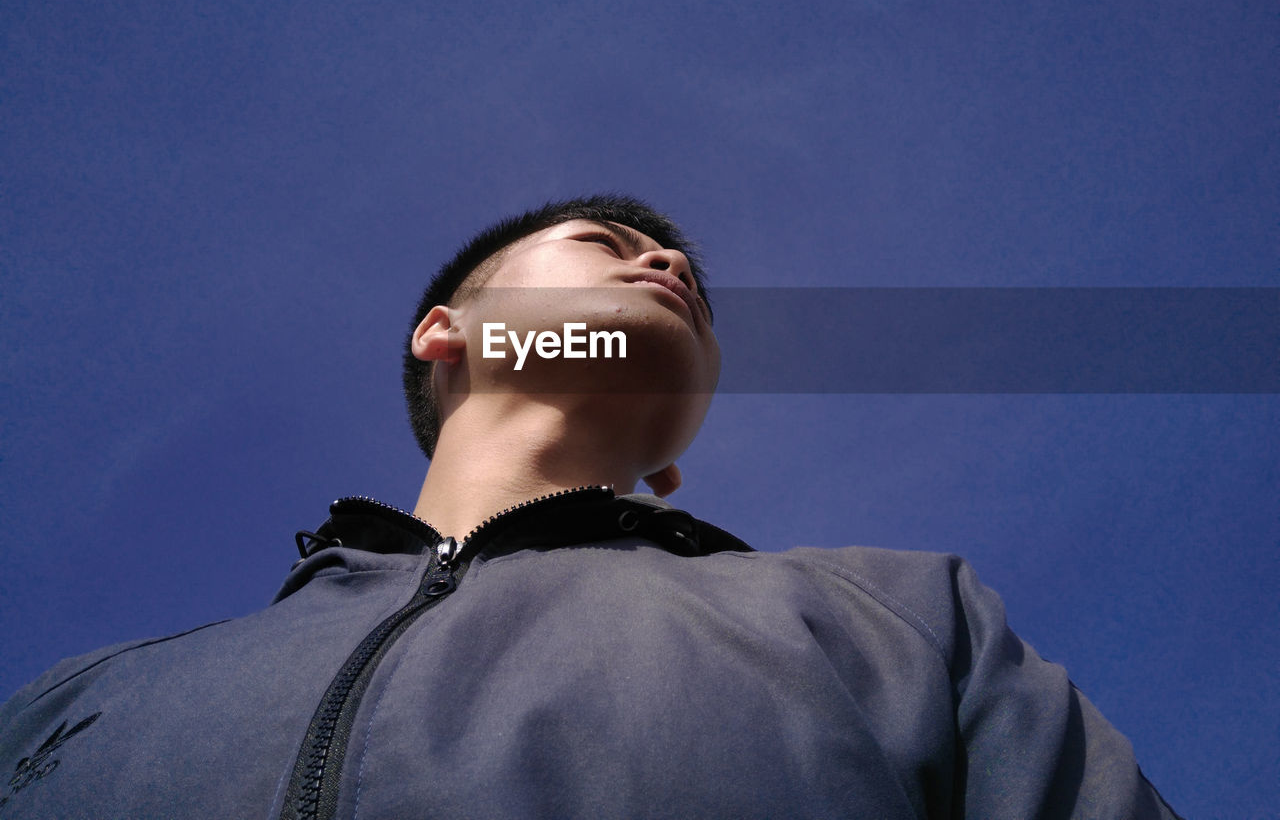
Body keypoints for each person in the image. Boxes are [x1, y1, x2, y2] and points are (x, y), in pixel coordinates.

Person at [0, 193, 1181, 819]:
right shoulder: (78, 700)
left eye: (691, 284)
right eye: (604, 243)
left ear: (676, 455)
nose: (666, 264)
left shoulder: (903, 618)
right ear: (444, 334)